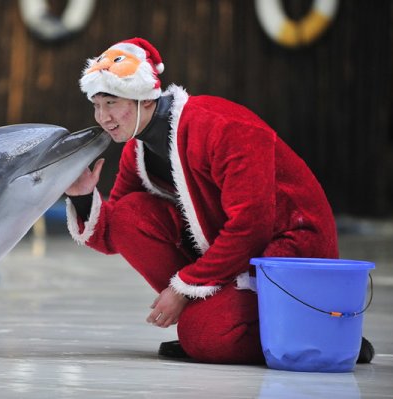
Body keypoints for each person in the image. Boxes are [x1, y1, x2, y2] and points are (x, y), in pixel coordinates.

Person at [64, 37, 372, 364]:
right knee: (129, 214)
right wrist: (83, 198)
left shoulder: (222, 127)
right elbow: (118, 231)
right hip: (232, 256)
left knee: (205, 336)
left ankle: (318, 331)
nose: (102, 117)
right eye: (96, 105)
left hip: (287, 251)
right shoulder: (136, 150)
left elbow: (252, 226)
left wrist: (183, 289)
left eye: (111, 103)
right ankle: (213, 317)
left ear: (144, 96)